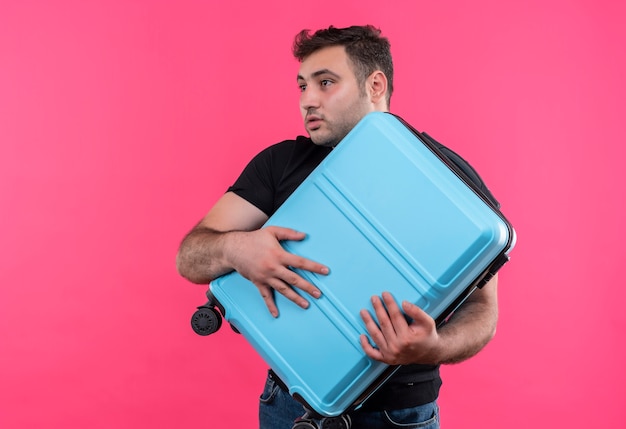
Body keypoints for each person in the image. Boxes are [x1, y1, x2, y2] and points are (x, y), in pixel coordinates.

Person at [176, 25, 500, 429]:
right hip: (289, 406)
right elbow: (190, 256)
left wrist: (434, 346)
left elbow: (482, 310)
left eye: (325, 83)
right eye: (301, 87)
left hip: (401, 415)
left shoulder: (451, 183)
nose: (307, 101)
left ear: (375, 85)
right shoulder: (280, 163)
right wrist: (234, 249)